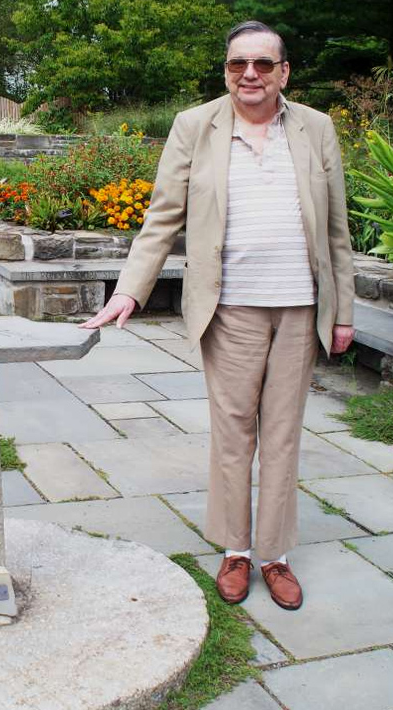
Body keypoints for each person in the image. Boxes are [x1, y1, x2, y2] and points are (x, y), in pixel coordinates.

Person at [81, 20, 354, 610]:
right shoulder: (194, 126)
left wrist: (343, 313)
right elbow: (162, 218)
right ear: (226, 71)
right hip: (229, 310)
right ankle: (236, 549)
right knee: (235, 436)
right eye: (237, 65)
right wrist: (130, 291)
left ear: (284, 72)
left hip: (302, 308)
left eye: (261, 64)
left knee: (282, 437)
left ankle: (275, 556)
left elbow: (337, 231)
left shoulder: (316, 128)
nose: (248, 74)